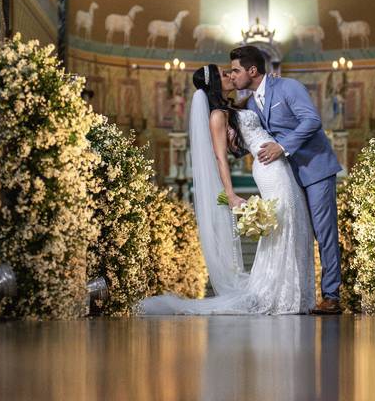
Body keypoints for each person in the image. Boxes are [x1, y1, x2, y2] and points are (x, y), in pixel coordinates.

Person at [139, 63, 316, 315]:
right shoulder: (216, 116)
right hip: (269, 167)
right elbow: (221, 157)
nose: (231, 76)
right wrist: (230, 194)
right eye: (224, 74)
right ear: (214, 83)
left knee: (292, 221)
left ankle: (290, 293)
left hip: (277, 162)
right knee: (283, 224)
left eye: (231, 71)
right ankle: (279, 294)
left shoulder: (231, 109)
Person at [230, 46, 344, 315]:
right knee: (297, 233)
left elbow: (311, 120)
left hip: (315, 168)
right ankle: (300, 293)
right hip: (287, 176)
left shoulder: (289, 87)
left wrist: (283, 146)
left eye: (236, 70)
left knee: (323, 232)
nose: (233, 75)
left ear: (252, 70)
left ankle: (332, 295)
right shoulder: (251, 104)